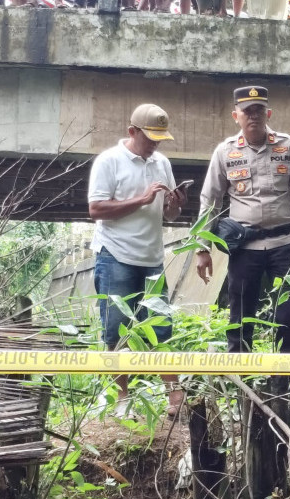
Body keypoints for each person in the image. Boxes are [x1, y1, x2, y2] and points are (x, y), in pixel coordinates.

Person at [196, 86, 290, 354]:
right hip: (245, 248)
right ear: (236, 116)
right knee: (240, 317)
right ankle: (243, 386)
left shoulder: (289, 147)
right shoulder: (224, 153)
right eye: (247, 111)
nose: (253, 116)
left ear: (268, 113)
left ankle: (284, 383)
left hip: (285, 245)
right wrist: (202, 247)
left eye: (258, 110)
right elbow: (210, 201)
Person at [88, 103, 187, 418]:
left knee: (161, 328)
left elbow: (169, 215)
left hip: (151, 257)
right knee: (116, 330)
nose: (155, 144)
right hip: (115, 255)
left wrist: (174, 205)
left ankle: (175, 399)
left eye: (160, 138)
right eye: (150, 137)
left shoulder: (162, 163)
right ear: (132, 131)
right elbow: (96, 209)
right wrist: (142, 200)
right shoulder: (109, 161)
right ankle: (121, 400)